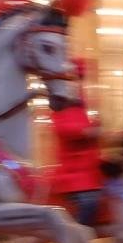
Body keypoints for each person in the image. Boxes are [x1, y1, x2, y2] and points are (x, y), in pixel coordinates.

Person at [48, 62, 105, 228]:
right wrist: (89, 131)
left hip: (90, 172)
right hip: (76, 176)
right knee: (89, 203)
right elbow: (68, 130)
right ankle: (77, 233)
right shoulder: (62, 112)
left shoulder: (80, 109)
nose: (75, 85)